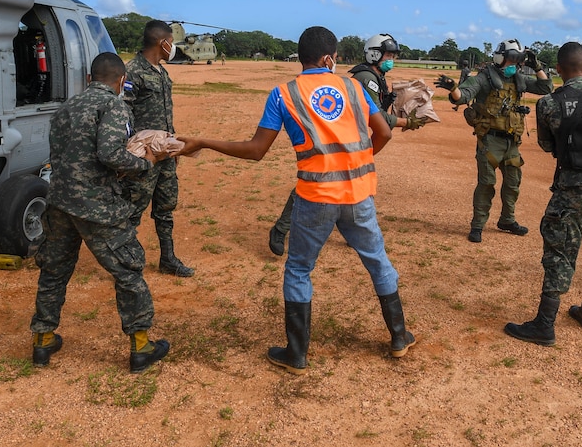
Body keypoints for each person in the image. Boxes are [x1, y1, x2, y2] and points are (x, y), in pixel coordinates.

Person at [178, 26, 414, 374]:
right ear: (329, 58)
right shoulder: (352, 87)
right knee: (377, 261)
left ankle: (297, 354)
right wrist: (362, 160)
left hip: (316, 196)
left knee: (300, 268)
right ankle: (398, 338)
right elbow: (384, 132)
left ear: (302, 58)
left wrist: (203, 141)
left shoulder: (283, 93)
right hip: (358, 193)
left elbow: (256, 150)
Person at [30, 52, 171, 373]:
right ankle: (141, 347)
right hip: (96, 205)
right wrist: (144, 163)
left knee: (53, 272)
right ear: (121, 80)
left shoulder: (66, 107)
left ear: (90, 78)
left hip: (59, 202)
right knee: (128, 270)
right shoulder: (114, 106)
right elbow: (109, 153)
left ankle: (43, 340)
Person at [268, 32, 425, 256]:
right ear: (375, 54)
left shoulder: (375, 76)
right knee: (319, 183)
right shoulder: (365, 79)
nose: (392, 59)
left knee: (340, 186)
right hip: (340, 140)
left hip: (350, 141)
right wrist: (406, 122)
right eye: (388, 55)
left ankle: (351, 232)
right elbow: (380, 118)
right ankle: (282, 229)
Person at [504, 43, 582, 343]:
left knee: (560, 250)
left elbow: (546, 144)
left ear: (559, 70)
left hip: (574, 185)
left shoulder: (550, 103)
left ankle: (545, 325)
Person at [435, 39, 552, 242]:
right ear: (500, 58)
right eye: (511, 60)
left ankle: (507, 220)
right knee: (486, 183)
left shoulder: (519, 79)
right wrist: (453, 87)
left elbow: (546, 87)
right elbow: (463, 95)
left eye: (517, 60)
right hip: (490, 140)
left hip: (512, 141)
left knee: (513, 183)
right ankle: (478, 225)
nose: (513, 65)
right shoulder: (484, 78)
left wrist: (537, 66)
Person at [123, 20, 194, 277]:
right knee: (132, 210)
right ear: (162, 42)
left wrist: (172, 147)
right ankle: (125, 263)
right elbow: (123, 112)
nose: (172, 47)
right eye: (171, 42)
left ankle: (168, 259)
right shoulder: (132, 71)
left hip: (164, 152)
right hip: (144, 156)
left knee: (165, 208)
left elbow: (166, 115)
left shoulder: (162, 72)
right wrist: (133, 153)